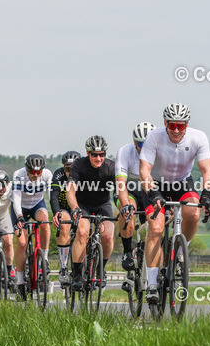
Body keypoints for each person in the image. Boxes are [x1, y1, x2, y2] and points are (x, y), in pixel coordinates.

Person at [139, 103, 210, 305]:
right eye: (172, 125)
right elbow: (144, 171)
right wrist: (153, 192)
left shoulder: (198, 137)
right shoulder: (154, 137)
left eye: (180, 126)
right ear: (165, 123)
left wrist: (207, 194)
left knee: (194, 213)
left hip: (183, 183)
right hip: (156, 184)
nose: (176, 130)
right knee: (156, 229)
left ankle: (180, 252)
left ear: (186, 125)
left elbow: (207, 170)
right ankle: (152, 284)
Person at [65, 135, 122, 292]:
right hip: (82, 205)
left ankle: (100, 269)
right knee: (82, 232)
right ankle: (77, 274)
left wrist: (122, 206)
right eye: (94, 155)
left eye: (102, 154)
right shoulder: (79, 165)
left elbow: (119, 190)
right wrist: (75, 208)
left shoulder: (110, 167)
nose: (98, 158)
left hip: (102, 205)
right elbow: (70, 190)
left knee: (108, 236)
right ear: (88, 153)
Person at [115, 122, 154, 272]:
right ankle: (127, 252)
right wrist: (125, 205)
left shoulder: (159, 153)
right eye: (140, 144)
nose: (143, 148)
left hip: (148, 191)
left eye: (147, 144)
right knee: (128, 211)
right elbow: (120, 183)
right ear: (134, 142)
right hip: (128, 191)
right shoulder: (125, 151)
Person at [11, 154, 52, 292]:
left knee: (45, 222)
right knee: (22, 243)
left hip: (37, 205)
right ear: (27, 169)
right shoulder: (18, 175)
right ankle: (20, 281)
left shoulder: (47, 174)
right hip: (20, 208)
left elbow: (51, 195)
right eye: (32, 171)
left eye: (38, 171)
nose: (35, 175)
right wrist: (19, 216)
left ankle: (44, 259)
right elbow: (16, 199)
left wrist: (56, 212)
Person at [49, 150, 80, 284]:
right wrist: (57, 213)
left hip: (79, 207)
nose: (70, 172)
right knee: (64, 223)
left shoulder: (84, 175)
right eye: (67, 168)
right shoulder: (58, 174)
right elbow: (54, 197)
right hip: (64, 207)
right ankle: (63, 267)